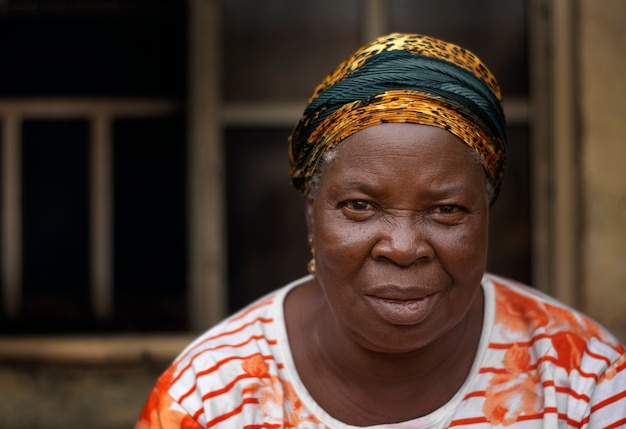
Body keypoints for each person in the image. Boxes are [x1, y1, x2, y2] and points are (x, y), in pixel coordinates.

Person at [135, 33, 626, 428]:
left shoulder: (584, 384)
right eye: (360, 206)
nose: (404, 247)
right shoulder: (209, 399)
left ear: (486, 216)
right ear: (311, 215)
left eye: (447, 210)